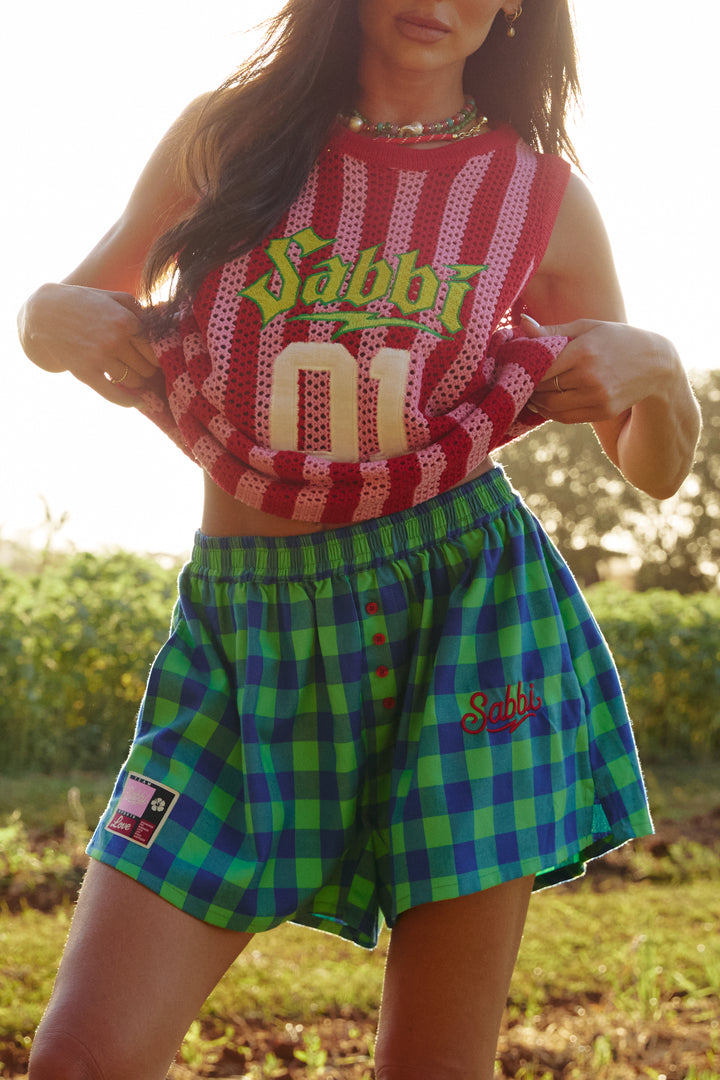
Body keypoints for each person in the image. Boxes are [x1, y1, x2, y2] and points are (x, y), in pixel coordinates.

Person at [18, 1, 701, 1078]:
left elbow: (651, 466)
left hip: (466, 625)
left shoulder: (542, 196)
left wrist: (658, 368)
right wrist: (39, 318)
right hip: (243, 634)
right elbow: (85, 302)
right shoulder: (225, 137)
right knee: (81, 1060)